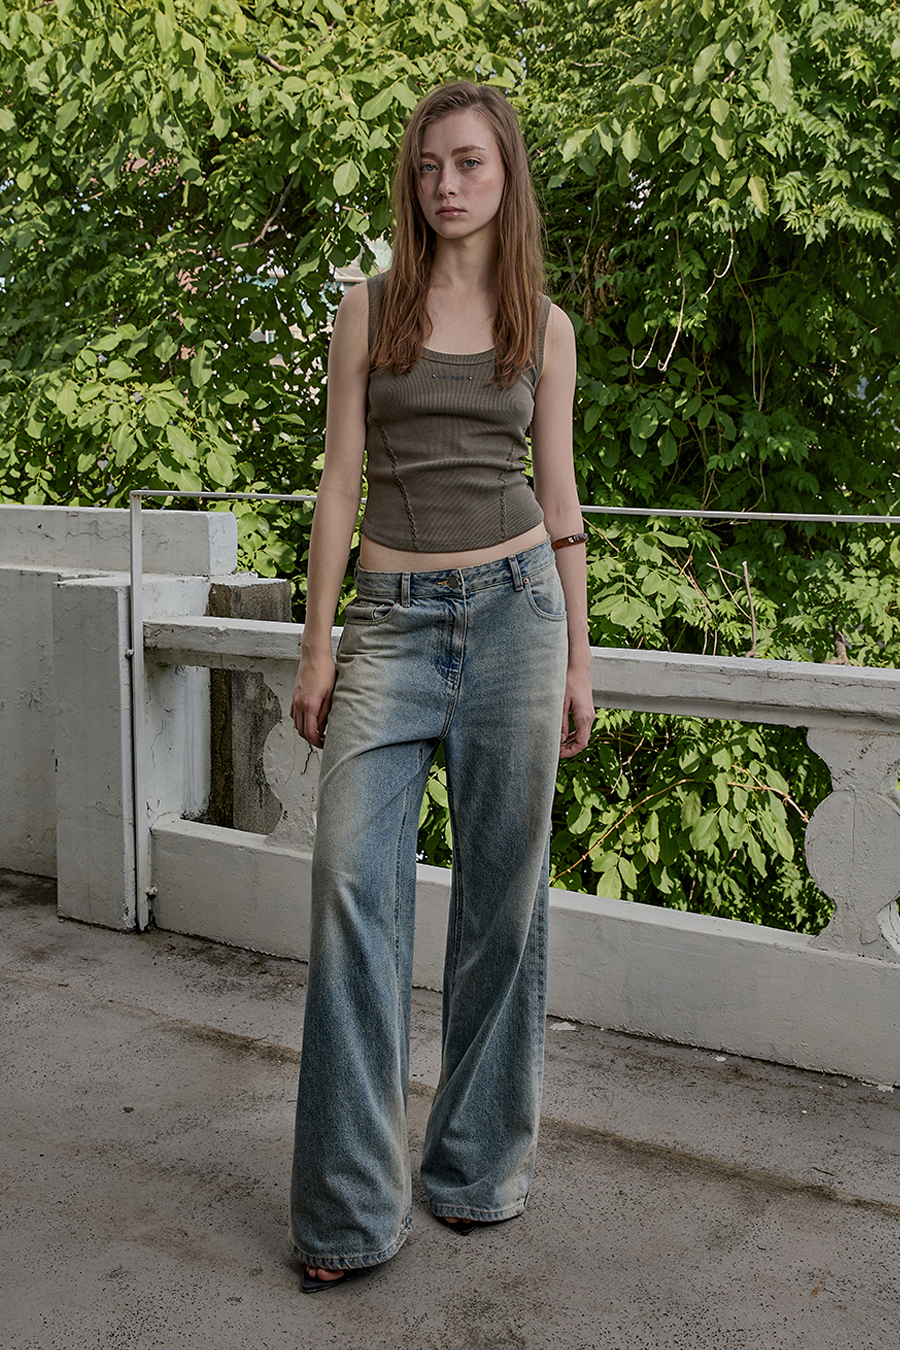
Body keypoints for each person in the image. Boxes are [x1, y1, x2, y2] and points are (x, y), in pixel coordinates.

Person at [288, 80, 594, 1291]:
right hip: (390, 623)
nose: (446, 184)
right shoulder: (369, 310)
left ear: (504, 174)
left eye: (467, 162)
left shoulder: (543, 326)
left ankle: (473, 1168)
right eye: (427, 166)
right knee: (349, 887)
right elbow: (338, 482)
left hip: (518, 614)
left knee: (502, 908)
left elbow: (560, 502)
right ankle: (349, 1211)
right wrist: (318, 645)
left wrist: (579, 657)